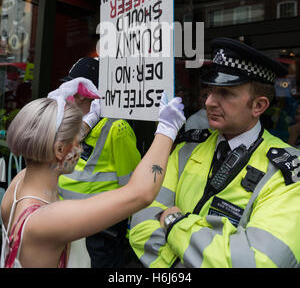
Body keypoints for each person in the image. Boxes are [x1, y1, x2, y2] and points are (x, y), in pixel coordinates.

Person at [129, 37, 300, 268]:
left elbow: (258, 261)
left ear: (258, 106)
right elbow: (141, 218)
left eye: (226, 93)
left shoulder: (288, 169)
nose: (209, 101)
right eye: (210, 91)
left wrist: (171, 221)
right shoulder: (187, 147)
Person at [0, 77, 185, 268]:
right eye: (77, 140)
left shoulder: (18, 185)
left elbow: (50, 139)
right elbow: (141, 194)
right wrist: (167, 130)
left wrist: (79, 119)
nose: (80, 147)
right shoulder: (46, 219)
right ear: (59, 150)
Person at [57, 58, 141, 268]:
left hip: (101, 232)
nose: (70, 98)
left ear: (93, 96)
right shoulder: (69, 123)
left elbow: (132, 184)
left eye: (77, 93)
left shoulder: (117, 128)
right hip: (66, 222)